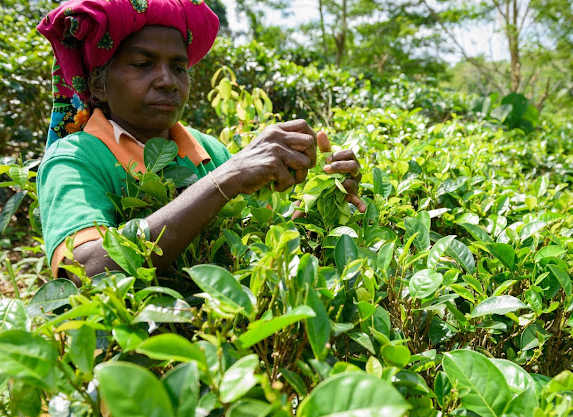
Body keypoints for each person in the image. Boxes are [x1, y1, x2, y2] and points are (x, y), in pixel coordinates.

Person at [36, 0, 365, 281]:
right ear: (98, 85)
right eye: (142, 64)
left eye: (179, 67)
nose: (167, 81)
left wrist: (324, 198)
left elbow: (256, 246)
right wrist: (227, 178)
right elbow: (86, 271)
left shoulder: (209, 150)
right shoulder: (74, 159)